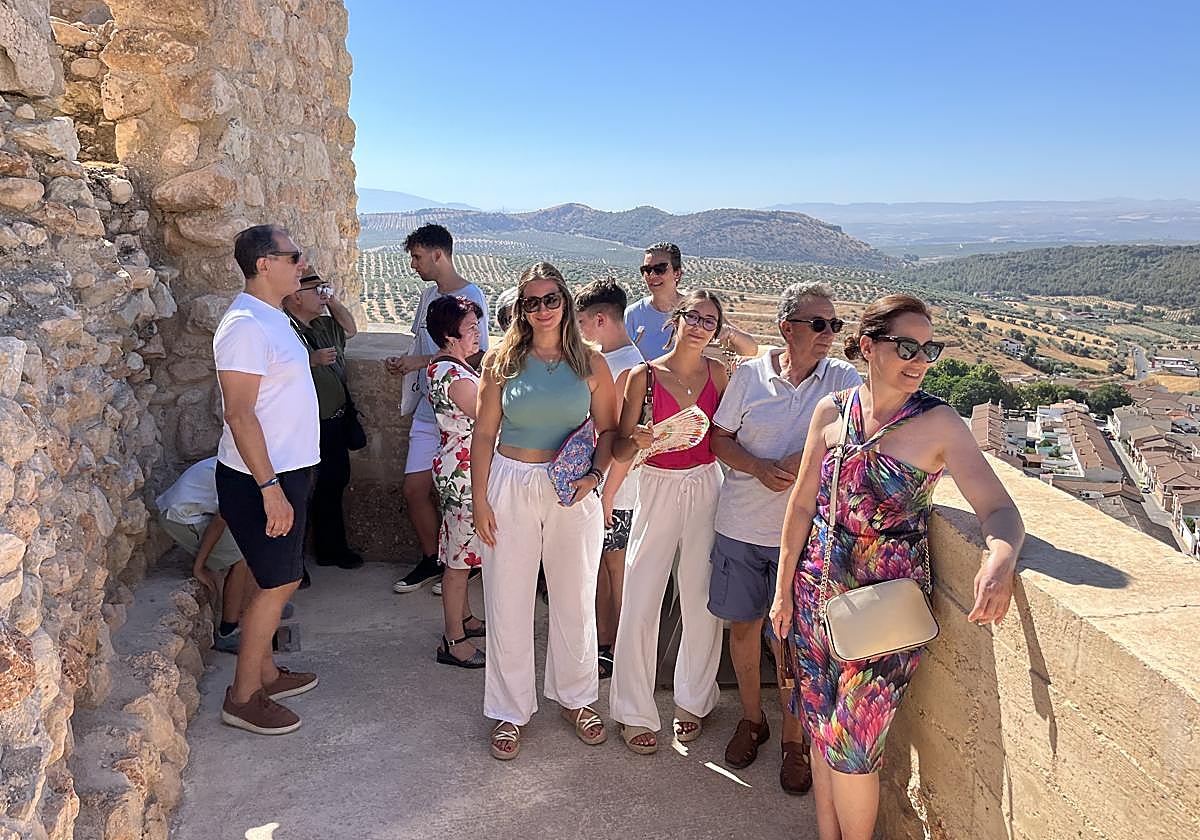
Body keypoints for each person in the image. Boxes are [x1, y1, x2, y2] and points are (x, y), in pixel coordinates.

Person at [768, 294, 1024, 840]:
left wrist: (1000, 559)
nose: (921, 360)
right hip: (816, 592)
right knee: (819, 725)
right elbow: (802, 503)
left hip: (886, 612)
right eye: (908, 346)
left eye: (929, 350)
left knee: (854, 743)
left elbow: (999, 509)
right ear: (868, 346)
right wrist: (784, 589)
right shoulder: (831, 411)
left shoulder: (939, 424)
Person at [708, 282, 862, 793]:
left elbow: (858, 436)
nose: (828, 335)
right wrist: (757, 467)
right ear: (786, 328)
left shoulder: (841, 378)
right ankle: (753, 720)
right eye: (819, 324)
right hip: (741, 527)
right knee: (745, 630)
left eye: (835, 325)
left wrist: (802, 465)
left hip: (803, 538)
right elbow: (719, 438)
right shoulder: (750, 376)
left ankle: (795, 741)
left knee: (794, 642)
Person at [472, 262, 617, 760]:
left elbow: (610, 433)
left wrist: (594, 480)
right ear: (520, 308)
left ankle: (576, 699)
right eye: (530, 302)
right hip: (511, 482)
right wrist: (479, 500)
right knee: (507, 600)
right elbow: (485, 434)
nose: (541, 310)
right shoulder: (502, 361)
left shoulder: (592, 365)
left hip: (572, 491)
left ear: (566, 302)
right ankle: (510, 711)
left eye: (550, 299)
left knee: (574, 597)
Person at [609, 290, 730, 755]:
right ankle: (633, 710)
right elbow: (619, 448)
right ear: (678, 319)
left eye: (710, 321)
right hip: (656, 485)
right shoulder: (642, 376)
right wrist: (636, 440)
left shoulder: (718, 373)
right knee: (642, 595)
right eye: (694, 316)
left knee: (700, 599)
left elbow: (723, 439)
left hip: (705, 484)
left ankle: (693, 702)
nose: (701, 326)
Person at [213, 224, 321, 735]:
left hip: (286, 472)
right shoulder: (244, 327)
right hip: (263, 479)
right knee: (281, 580)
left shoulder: (270, 317)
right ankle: (243, 696)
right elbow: (240, 414)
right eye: (293, 256)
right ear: (264, 264)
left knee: (266, 575)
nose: (301, 264)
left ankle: (267, 671)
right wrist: (269, 488)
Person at [385, 224, 489, 594]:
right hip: (429, 413)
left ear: (438, 255)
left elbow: (475, 353)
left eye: (417, 256)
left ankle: (461, 565)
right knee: (415, 490)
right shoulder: (429, 294)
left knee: (460, 499)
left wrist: (418, 364)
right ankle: (434, 560)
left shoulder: (470, 296)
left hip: (459, 419)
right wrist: (412, 361)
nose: (414, 264)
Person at [575, 277, 643, 678]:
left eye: (583, 322)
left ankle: (619, 650)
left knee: (617, 571)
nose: (581, 330)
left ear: (601, 319)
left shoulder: (624, 369)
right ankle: (603, 643)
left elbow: (620, 438)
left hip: (616, 489)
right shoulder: (624, 361)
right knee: (602, 568)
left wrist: (607, 494)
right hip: (607, 486)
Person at [283, 268, 362, 571]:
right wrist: (310, 360)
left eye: (323, 289)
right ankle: (293, 564)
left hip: (333, 422)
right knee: (299, 492)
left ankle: (332, 549)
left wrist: (332, 300)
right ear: (295, 296)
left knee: (333, 484)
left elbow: (351, 328)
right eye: (315, 290)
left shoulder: (324, 325)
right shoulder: (286, 330)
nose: (322, 295)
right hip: (304, 425)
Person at [424, 295, 487, 667]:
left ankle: (463, 617)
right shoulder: (454, 375)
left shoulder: (447, 367)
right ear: (449, 335)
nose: (477, 334)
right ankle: (453, 639)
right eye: (470, 329)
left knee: (458, 550)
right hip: (464, 474)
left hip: (456, 468)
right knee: (459, 562)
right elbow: (487, 416)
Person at [157, 457, 254, 653]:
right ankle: (228, 632)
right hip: (180, 517)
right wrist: (199, 566)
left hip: (196, 511)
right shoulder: (243, 472)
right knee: (241, 559)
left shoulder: (246, 459)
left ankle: (255, 608)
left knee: (254, 545)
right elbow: (220, 521)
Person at [625, 242, 756, 359]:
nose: (652, 275)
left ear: (677, 273)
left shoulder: (699, 308)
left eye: (659, 269)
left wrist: (729, 333)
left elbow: (751, 350)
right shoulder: (633, 314)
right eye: (646, 270)